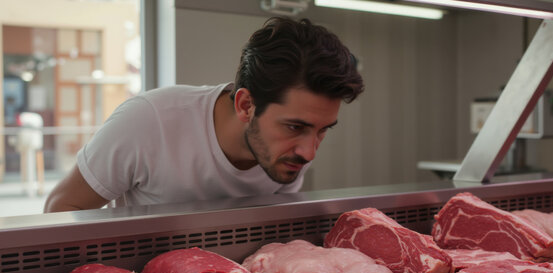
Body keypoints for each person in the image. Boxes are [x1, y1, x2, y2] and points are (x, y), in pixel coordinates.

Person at [44, 17, 364, 213]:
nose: (309, 152)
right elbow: (61, 208)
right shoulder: (148, 120)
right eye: (295, 126)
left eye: (323, 130)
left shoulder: (289, 149)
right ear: (245, 106)